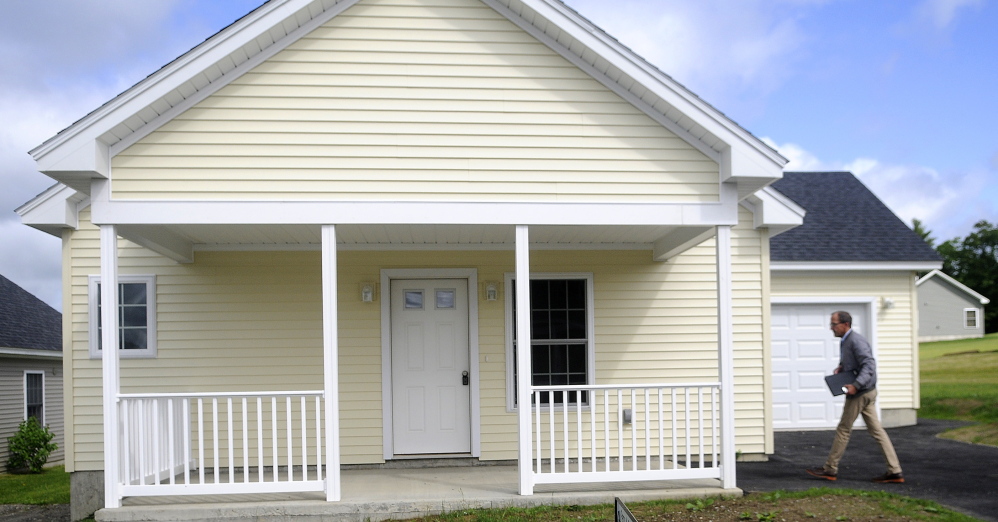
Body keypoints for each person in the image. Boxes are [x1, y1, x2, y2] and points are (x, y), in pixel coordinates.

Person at [805, 311, 904, 483]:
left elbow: (869, 364)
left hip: (860, 392)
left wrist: (855, 385)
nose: (831, 328)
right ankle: (894, 471)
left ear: (845, 324)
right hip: (868, 391)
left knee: (843, 429)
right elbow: (853, 362)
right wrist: (841, 367)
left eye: (834, 324)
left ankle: (830, 469)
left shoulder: (855, 341)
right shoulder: (846, 340)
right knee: (877, 431)